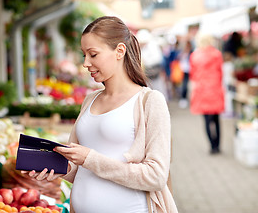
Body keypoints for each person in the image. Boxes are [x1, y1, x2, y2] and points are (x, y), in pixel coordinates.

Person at [26, 16, 177, 213]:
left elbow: (155, 177)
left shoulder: (149, 101)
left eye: (93, 54)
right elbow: (80, 168)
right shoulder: (90, 100)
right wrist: (56, 169)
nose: (86, 63)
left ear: (119, 51)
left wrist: (91, 159)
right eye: (84, 55)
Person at [189, 32, 225, 154]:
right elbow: (220, 73)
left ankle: (212, 146)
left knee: (206, 120)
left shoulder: (195, 55)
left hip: (201, 90)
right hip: (215, 89)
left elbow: (193, 75)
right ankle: (218, 145)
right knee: (216, 119)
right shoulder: (217, 54)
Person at [178, 40, 193, 108]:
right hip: (184, 71)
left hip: (191, 70)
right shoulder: (182, 53)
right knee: (184, 85)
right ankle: (183, 98)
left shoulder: (191, 53)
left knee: (190, 85)